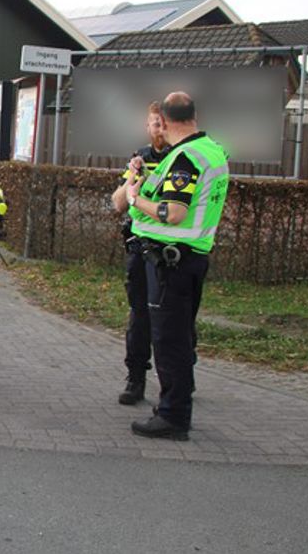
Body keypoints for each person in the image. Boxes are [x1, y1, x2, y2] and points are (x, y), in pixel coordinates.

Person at [124, 92, 230, 440]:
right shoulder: (213, 150)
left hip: (171, 261)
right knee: (181, 337)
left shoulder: (184, 158)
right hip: (192, 257)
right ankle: (177, 407)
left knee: (168, 340)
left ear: (166, 122)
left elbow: (174, 212)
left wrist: (136, 199)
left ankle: (172, 416)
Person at [110, 102, 171, 405]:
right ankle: (136, 378)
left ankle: (179, 378)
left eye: (161, 123)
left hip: (173, 252)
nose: (157, 129)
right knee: (140, 316)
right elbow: (119, 203)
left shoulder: (182, 159)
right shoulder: (141, 158)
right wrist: (134, 178)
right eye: (153, 124)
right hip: (140, 248)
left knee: (175, 319)